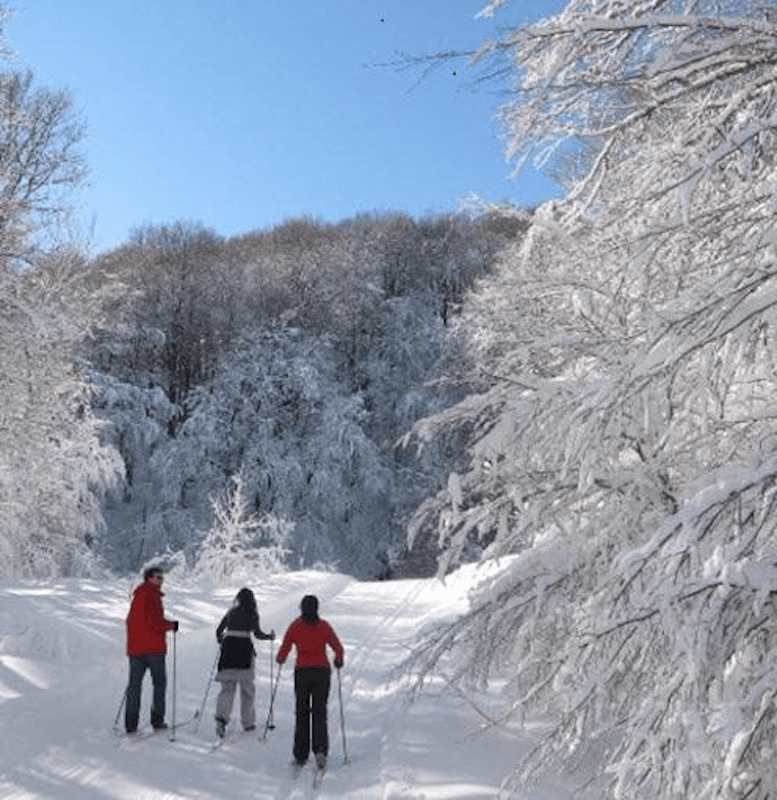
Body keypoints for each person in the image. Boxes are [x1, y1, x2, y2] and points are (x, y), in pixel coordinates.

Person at [276, 594, 344, 769]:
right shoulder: (324, 626)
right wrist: (338, 659)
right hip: (322, 673)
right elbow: (338, 647)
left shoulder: (295, 626)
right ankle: (320, 750)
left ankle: (300, 754)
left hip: (303, 673)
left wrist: (281, 658)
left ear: (302, 608)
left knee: (302, 712)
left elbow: (285, 646)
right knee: (320, 711)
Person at [214, 587, 274, 738]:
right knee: (247, 690)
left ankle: (221, 720)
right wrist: (270, 637)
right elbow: (258, 634)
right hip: (244, 652)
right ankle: (248, 723)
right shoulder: (252, 613)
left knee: (227, 689)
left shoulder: (231, 612)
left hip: (228, 651)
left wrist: (223, 641)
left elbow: (218, 631)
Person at [125, 565, 179, 733]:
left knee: (134, 686)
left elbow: (130, 622)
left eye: (162, 577)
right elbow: (155, 622)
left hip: (135, 651)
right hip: (154, 650)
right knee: (159, 684)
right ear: (149, 578)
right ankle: (157, 720)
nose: (161, 580)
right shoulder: (152, 595)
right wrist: (171, 625)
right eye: (158, 577)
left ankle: (130, 724)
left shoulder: (138, 596)